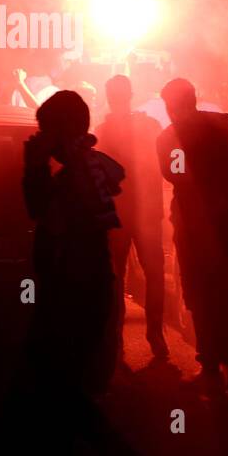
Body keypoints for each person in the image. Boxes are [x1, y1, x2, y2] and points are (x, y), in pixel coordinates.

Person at [156, 78, 228, 391]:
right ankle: (227, 362)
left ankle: (211, 363)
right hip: (222, 220)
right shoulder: (224, 125)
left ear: (172, 106)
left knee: (198, 289)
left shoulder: (169, 137)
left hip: (193, 223)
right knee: (222, 287)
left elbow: (172, 173)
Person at [23, 90, 125, 404]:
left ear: (62, 134)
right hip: (88, 281)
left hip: (74, 284)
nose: (42, 138)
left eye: (47, 132)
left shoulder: (79, 174)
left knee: (65, 383)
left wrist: (35, 167)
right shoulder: (92, 165)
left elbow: (42, 213)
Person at [94, 75, 168, 361]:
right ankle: (156, 335)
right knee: (155, 275)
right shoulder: (149, 125)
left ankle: (116, 340)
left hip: (117, 214)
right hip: (147, 211)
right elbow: (166, 161)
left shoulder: (102, 131)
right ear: (131, 94)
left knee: (116, 277)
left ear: (109, 96)